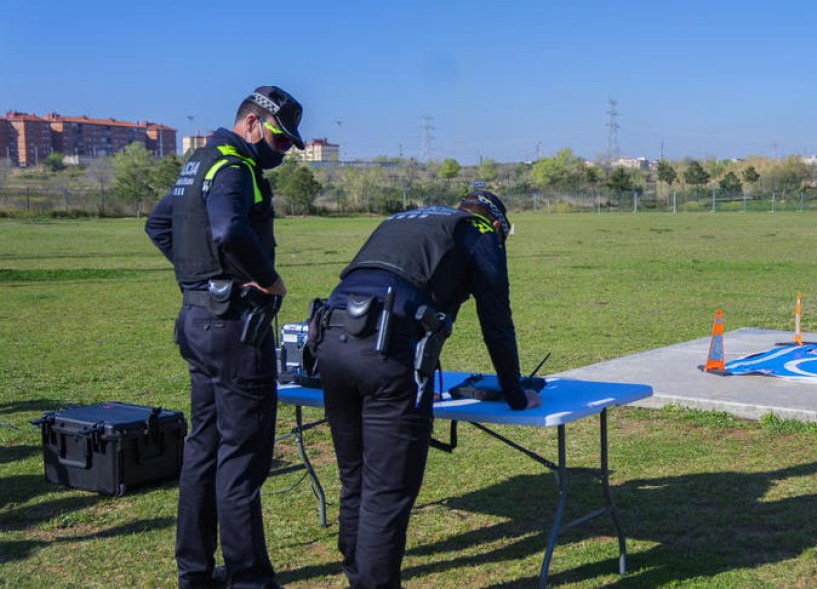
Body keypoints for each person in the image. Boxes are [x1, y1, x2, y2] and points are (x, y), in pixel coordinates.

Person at [311, 191, 541, 588]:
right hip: (386, 350)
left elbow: (412, 295)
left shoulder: (409, 219)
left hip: (331, 339)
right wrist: (516, 393)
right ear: (499, 224)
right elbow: (496, 324)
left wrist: (423, 376)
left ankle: (356, 576)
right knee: (387, 492)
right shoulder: (480, 230)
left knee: (356, 479)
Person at [146, 86, 304, 589]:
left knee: (204, 450)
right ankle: (250, 580)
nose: (281, 154)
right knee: (242, 459)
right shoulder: (234, 166)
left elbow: (158, 225)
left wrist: (199, 279)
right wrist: (266, 278)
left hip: (197, 322)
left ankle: (194, 572)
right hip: (234, 330)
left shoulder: (198, 163)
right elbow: (230, 230)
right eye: (280, 142)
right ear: (254, 123)